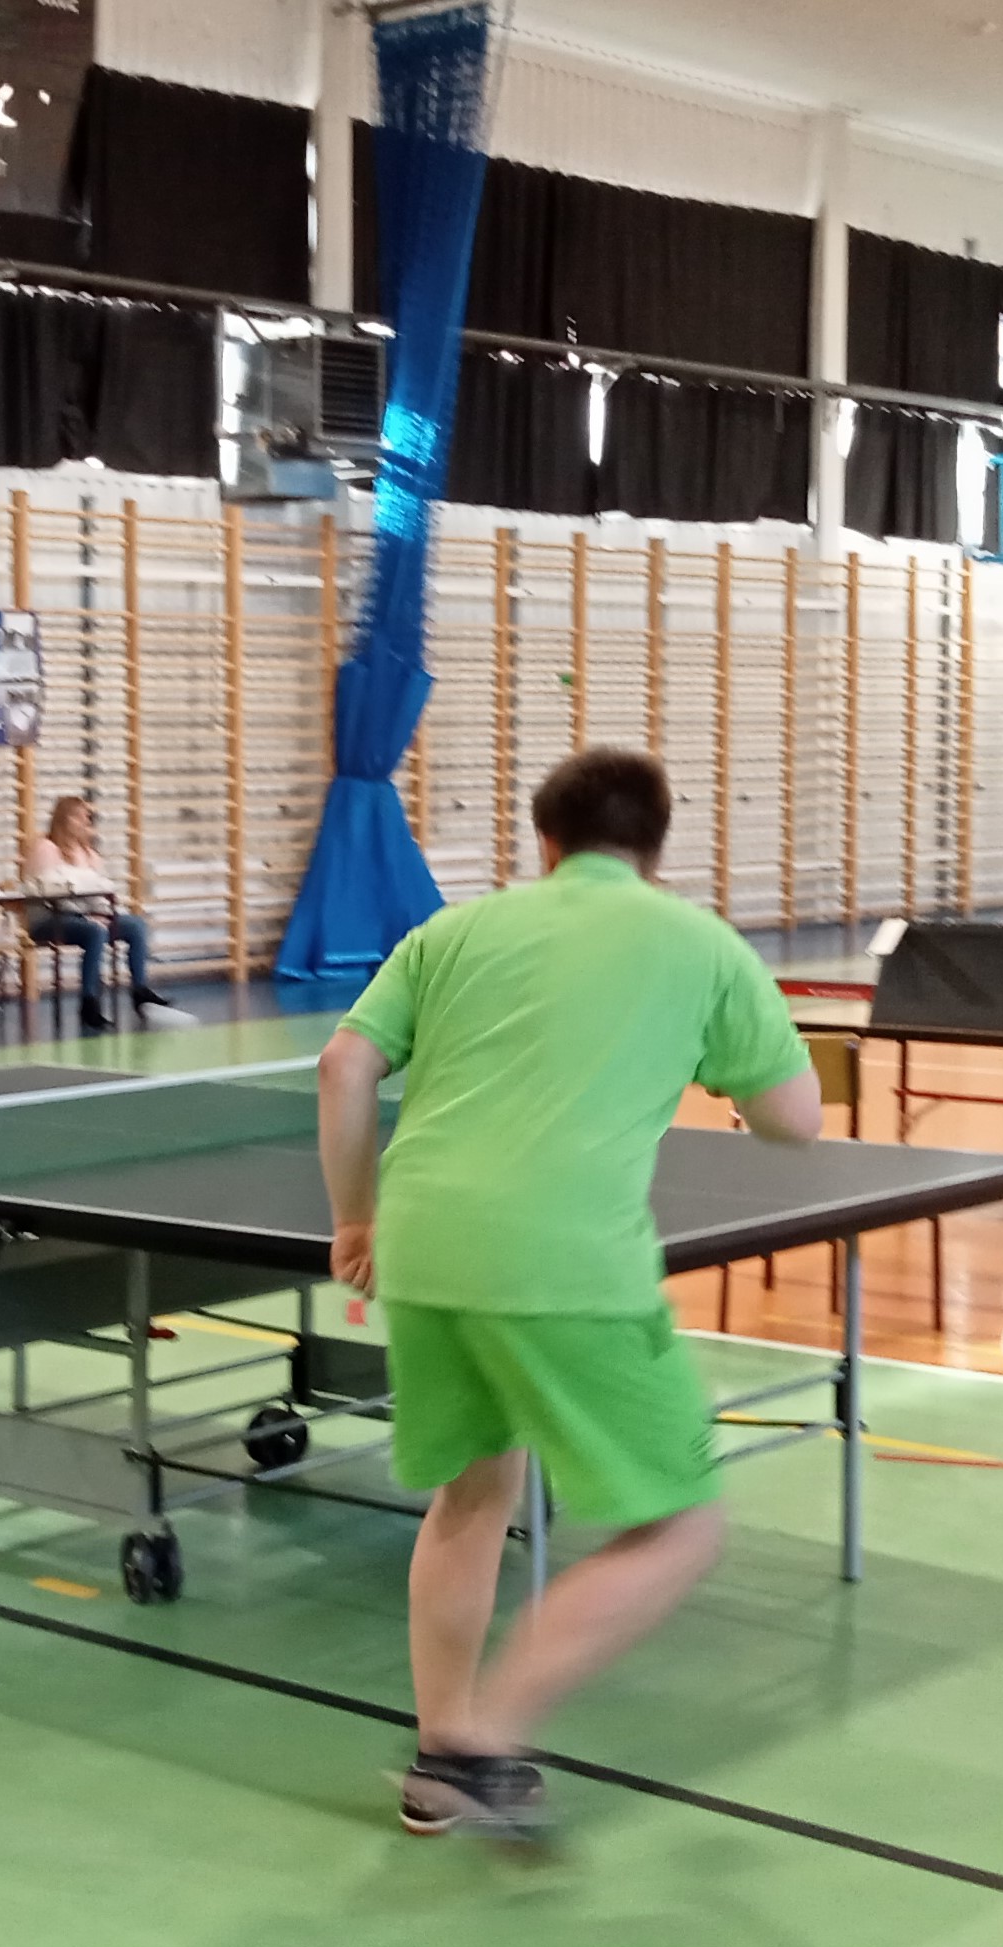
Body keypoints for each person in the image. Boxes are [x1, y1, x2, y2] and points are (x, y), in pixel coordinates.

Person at [317, 749, 820, 1848]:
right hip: (565, 1259)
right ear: (656, 848)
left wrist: (355, 1219)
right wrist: (726, 1067)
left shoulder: (450, 932)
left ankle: (438, 1756)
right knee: (681, 1524)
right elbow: (796, 1120)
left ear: (543, 843)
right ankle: (481, 1740)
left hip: (425, 1245)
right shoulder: (699, 942)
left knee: (471, 1495)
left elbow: (343, 1067)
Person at [21, 795, 191, 1034]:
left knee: (136, 925)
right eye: (79, 817)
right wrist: (87, 915)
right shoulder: (46, 848)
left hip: (84, 916)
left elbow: (100, 891)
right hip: (49, 919)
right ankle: (89, 1002)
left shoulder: (88, 853)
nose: (85, 822)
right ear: (64, 819)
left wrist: (99, 912)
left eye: (87, 817)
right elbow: (49, 892)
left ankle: (140, 990)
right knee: (95, 931)